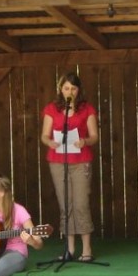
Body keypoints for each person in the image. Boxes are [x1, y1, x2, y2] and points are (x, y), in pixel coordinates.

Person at [41, 72, 98, 261]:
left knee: (81, 203)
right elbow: (44, 135)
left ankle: (87, 249)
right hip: (58, 161)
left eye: (73, 88)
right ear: (60, 89)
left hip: (81, 161)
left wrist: (85, 141)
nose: (70, 91)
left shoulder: (87, 108)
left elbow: (94, 136)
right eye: (66, 88)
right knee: (66, 204)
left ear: (78, 90)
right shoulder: (52, 108)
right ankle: (70, 249)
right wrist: (50, 143)